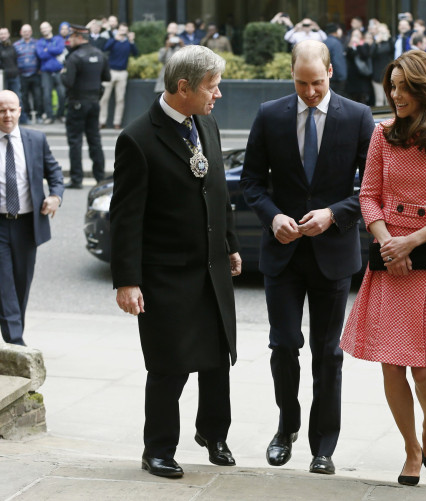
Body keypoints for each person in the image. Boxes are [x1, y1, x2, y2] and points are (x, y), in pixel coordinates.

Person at [341, 49, 426, 487]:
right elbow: (368, 195)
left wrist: (410, 242)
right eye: (392, 87)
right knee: (390, 365)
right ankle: (411, 449)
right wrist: (386, 243)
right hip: (387, 254)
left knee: (424, 367)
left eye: (403, 87)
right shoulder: (383, 134)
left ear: (424, 88)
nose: (395, 95)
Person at [240, 39, 373, 476]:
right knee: (283, 346)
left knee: (327, 352)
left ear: (330, 73)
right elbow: (252, 183)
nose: (310, 92)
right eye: (301, 83)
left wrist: (335, 214)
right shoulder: (270, 115)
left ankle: (324, 445)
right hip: (282, 252)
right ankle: (286, 426)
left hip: (333, 253)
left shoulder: (356, 117)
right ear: (291, 76)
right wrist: (272, 215)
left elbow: (373, 191)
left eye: (317, 83)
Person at [109, 44, 242, 479]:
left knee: (217, 357)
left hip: (211, 265)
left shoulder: (207, 123)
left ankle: (213, 433)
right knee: (170, 364)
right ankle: (159, 448)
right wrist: (127, 281)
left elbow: (219, 194)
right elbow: (126, 218)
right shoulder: (137, 138)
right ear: (183, 87)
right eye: (211, 86)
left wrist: (230, 243)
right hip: (165, 273)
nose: (217, 94)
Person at [0, 90, 63, 346]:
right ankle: (16, 343)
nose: (7, 115)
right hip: (0, 224)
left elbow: (55, 173)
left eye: (11, 109)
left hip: (28, 225)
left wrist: (55, 196)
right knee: (4, 285)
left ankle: (15, 337)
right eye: (2, 110)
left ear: (20, 110)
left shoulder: (35, 139)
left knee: (21, 284)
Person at [60, 24, 110, 189]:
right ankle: (100, 177)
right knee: (95, 140)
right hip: (94, 102)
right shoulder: (100, 54)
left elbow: (68, 82)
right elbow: (106, 77)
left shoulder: (74, 58)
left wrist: (62, 73)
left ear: (78, 37)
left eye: (71, 37)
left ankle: (76, 178)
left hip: (77, 103)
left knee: (75, 141)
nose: (69, 41)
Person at [100, 23, 138, 129]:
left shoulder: (128, 43)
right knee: (104, 97)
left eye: (124, 30)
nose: (122, 32)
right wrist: (114, 39)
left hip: (122, 72)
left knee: (120, 99)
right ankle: (102, 121)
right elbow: (105, 48)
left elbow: (135, 53)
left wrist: (131, 41)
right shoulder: (114, 40)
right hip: (111, 71)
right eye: (121, 30)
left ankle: (117, 122)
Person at [36, 21, 66, 124]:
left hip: (58, 71)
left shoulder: (58, 39)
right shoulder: (39, 42)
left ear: (50, 28)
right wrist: (52, 51)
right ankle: (50, 116)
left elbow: (60, 50)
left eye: (45, 27)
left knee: (62, 94)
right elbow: (41, 55)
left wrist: (47, 50)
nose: (44, 30)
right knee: (46, 95)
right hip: (46, 72)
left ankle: (60, 115)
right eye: (42, 29)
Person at [14, 25, 43, 125]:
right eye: (24, 31)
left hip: (35, 74)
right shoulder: (16, 45)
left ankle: (39, 116)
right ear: (21, 32)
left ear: (31, 32)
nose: (26, 33)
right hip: (22, 75)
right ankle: (28, 116)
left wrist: (40, 69)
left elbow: (41, 57)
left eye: (28, 31)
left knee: (38, 96)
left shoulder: (37, 43)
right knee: (24, 97)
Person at [0, 28, 22, 105]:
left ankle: (20, 116)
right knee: (4, 99)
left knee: (17, 97)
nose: (3, 36)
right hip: (4, 77)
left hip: (15, 76)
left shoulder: (13, 46)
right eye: (1, 34)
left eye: (4, 33)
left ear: (8, 34)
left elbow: (16, 60)